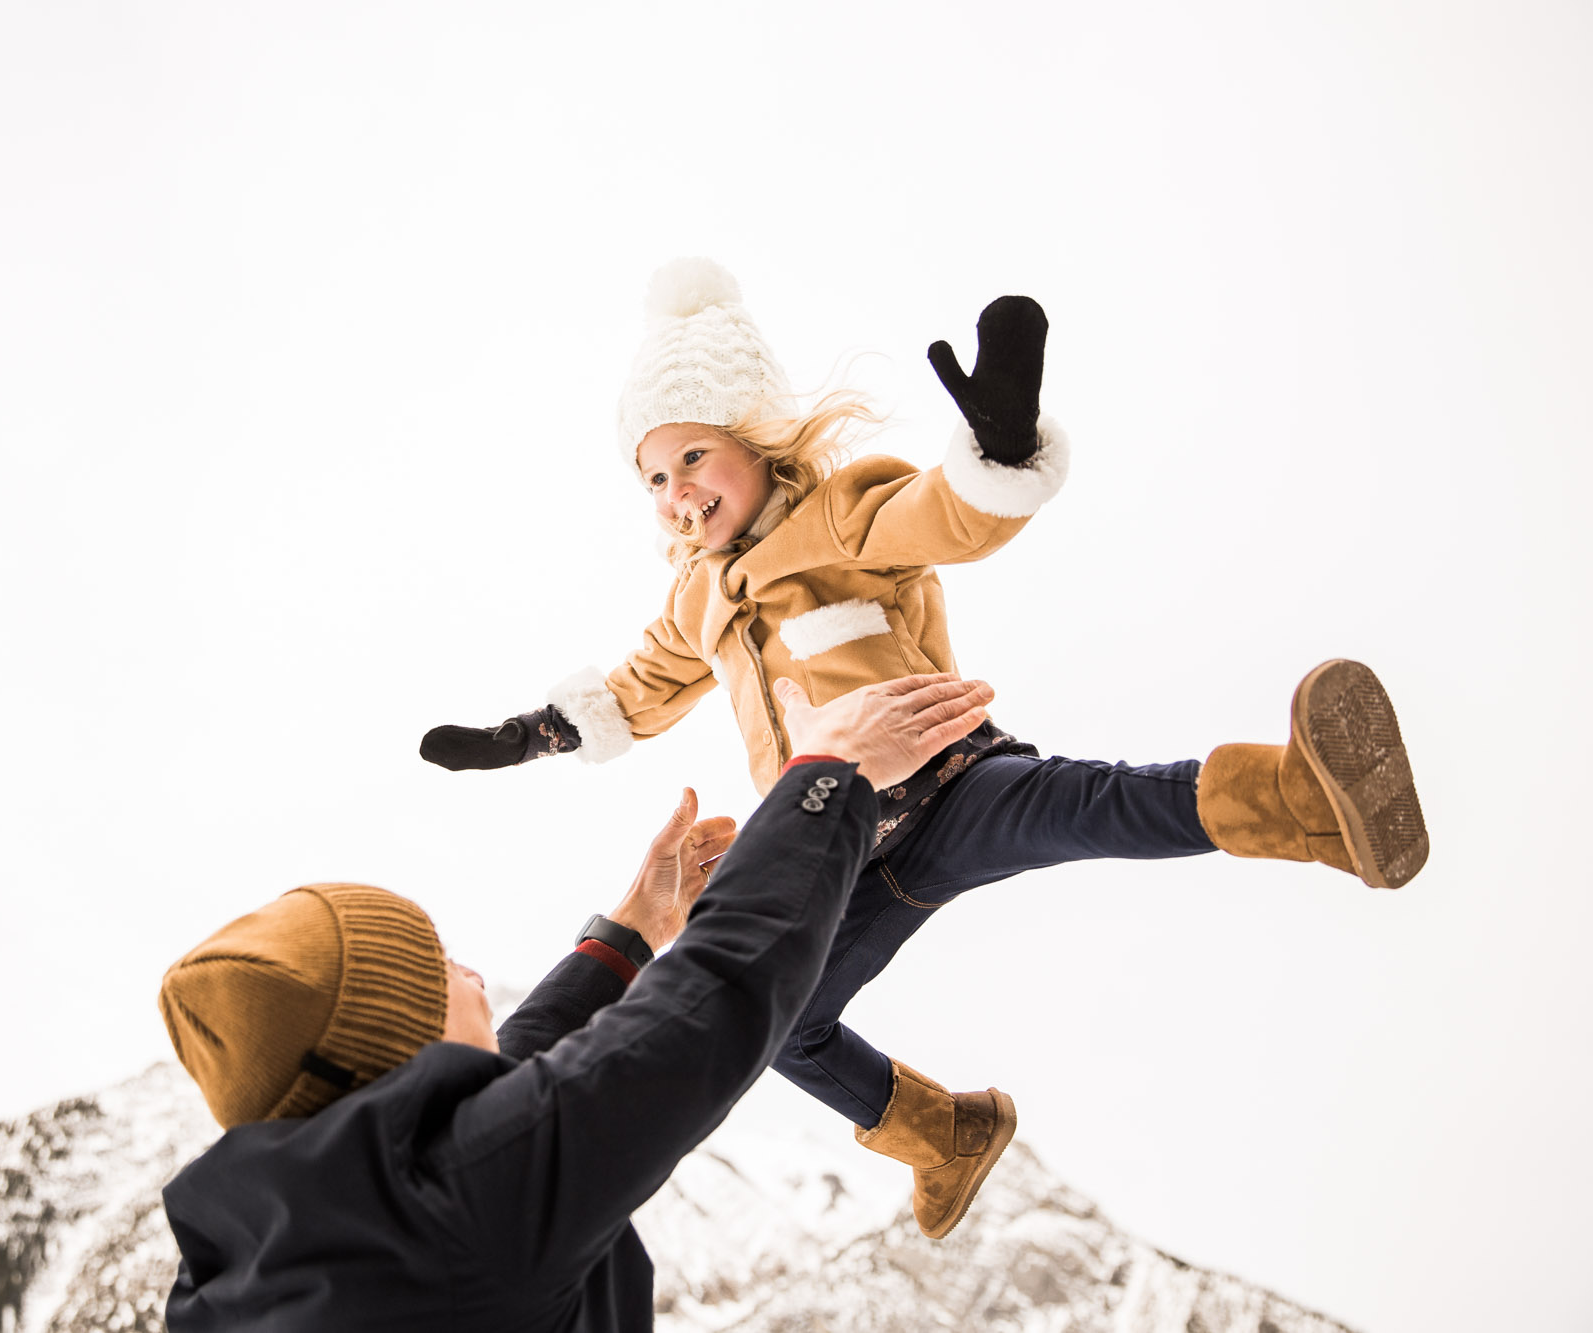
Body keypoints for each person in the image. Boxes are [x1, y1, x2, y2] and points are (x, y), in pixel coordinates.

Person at [418, 257, 1430, 1238]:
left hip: (944, 785)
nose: (675, 489)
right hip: (841, 848)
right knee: (781, 1024)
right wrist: (530, 733)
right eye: (651, 475)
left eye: (692, 455)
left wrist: (995, 447)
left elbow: (939, 516)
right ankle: (942, 1134)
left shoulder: (832, 516)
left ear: (756, 441)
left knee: (1084, 805)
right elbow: (638, 691)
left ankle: (1299, 802)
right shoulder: (694, 600)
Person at [158, 673, 998, 1333]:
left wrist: (629, 931)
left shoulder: (263, 1255)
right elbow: (716, 995)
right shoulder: (459, 1217)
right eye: (437, 965)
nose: (473, 972)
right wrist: (830, 771)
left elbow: (491, 1115)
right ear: (392, 1038)